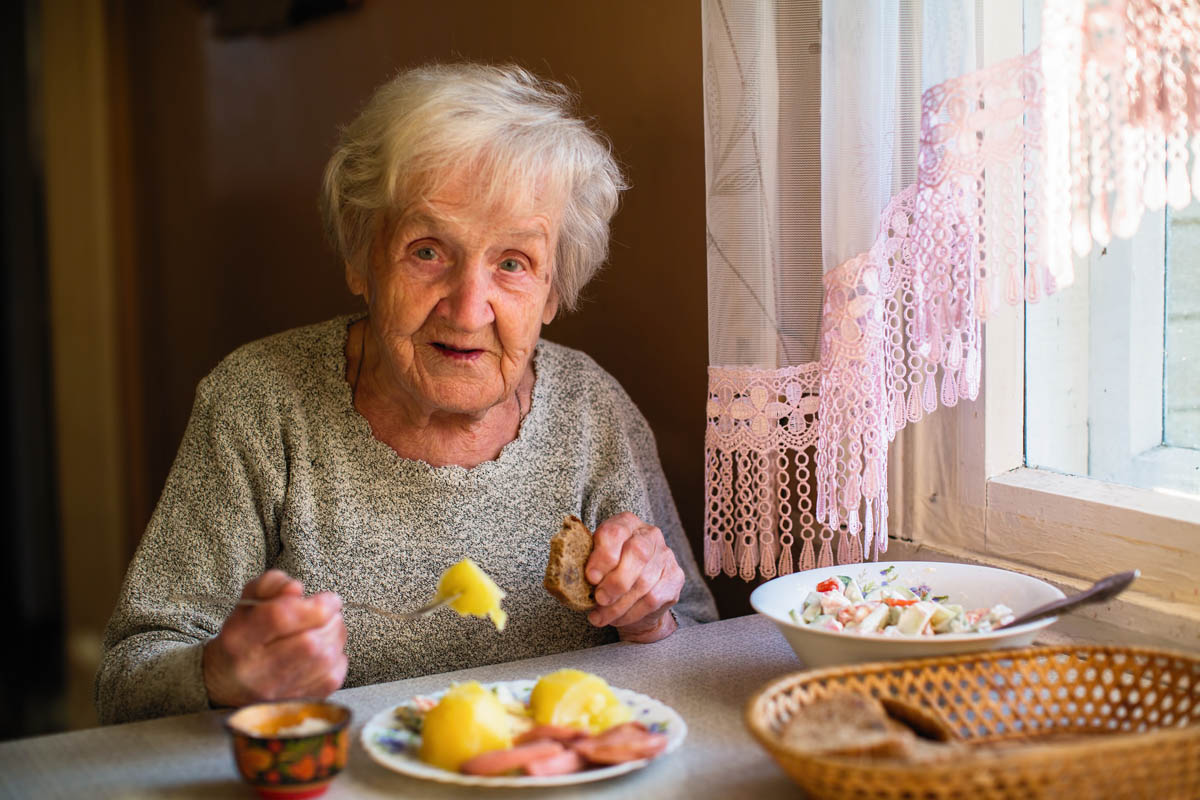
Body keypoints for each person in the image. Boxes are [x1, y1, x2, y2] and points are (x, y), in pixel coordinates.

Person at [96, 63, 718, 724]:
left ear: (553, 292)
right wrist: (220, 674)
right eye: (428, 251)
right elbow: (125, 683)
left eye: (513, 263)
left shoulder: (592, 410)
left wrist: (649, 620)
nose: (468, 306)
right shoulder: (258, 404)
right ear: (361, 259)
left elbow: (698, 655)